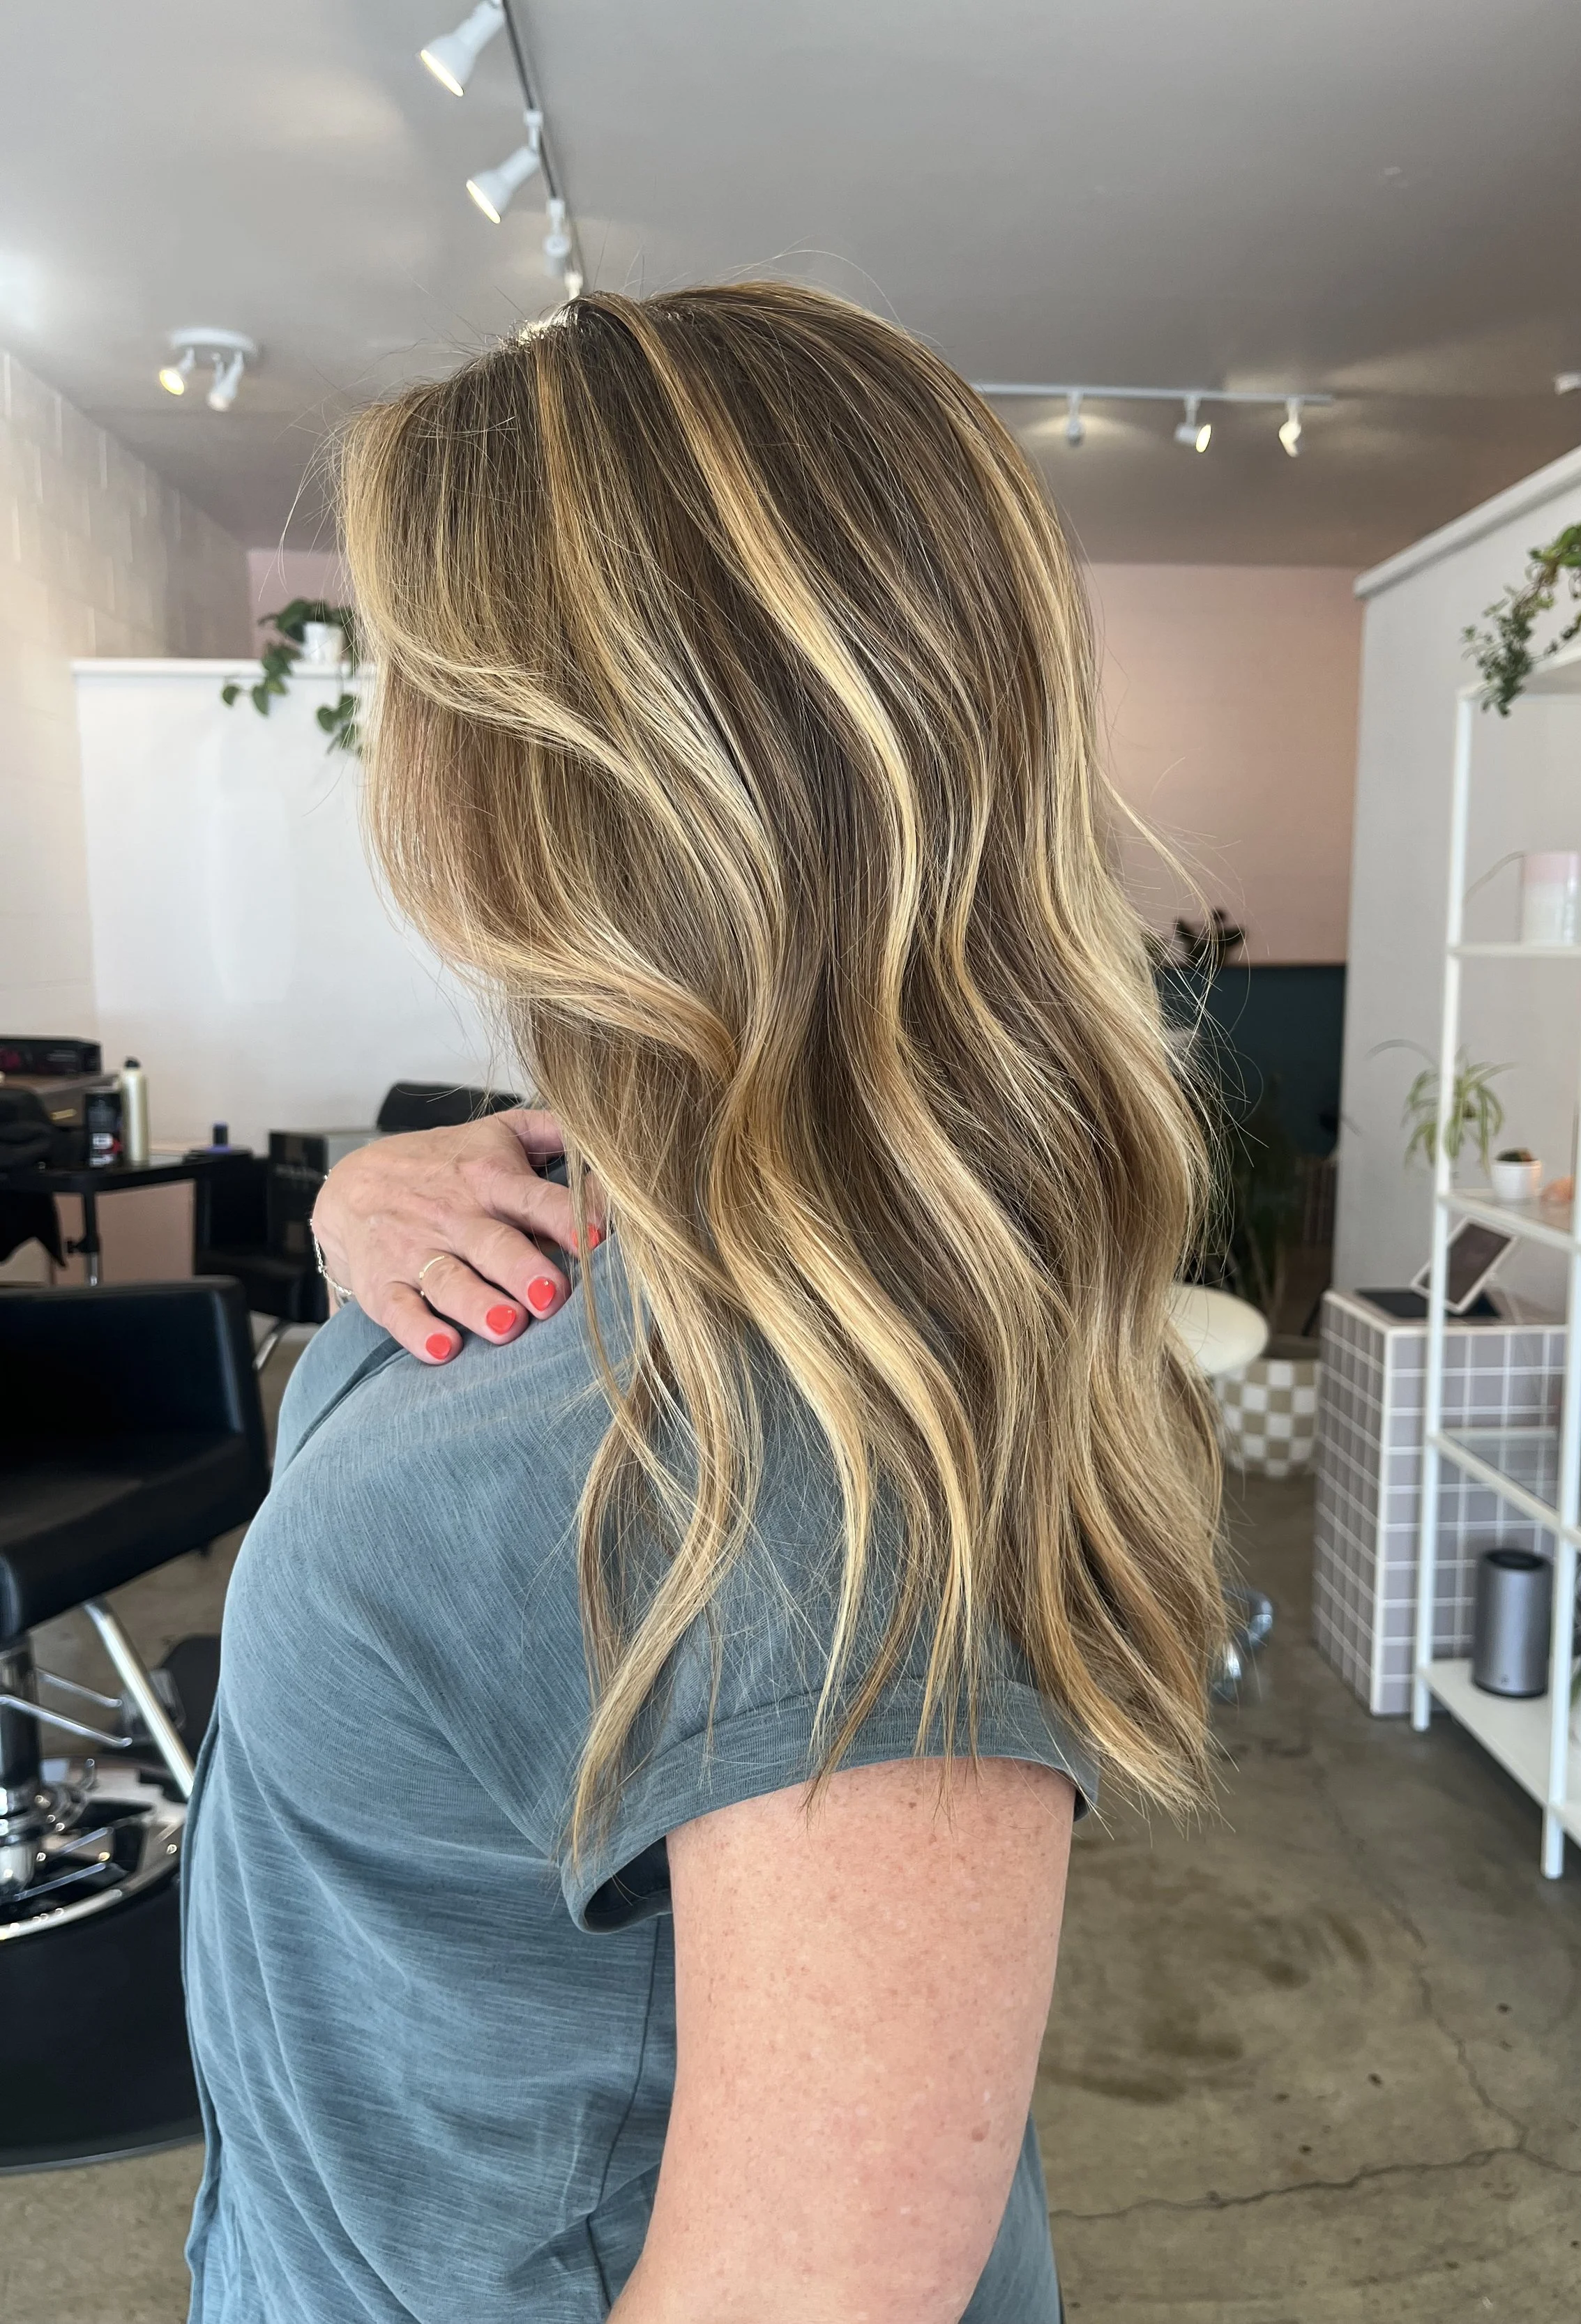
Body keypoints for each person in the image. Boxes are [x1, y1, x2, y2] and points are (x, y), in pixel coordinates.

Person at [183, 282, 1223, 2324]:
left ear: (549, 764)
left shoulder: (794, 1450)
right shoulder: (621, 1201)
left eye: (413, 689)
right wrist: (346, 1224)